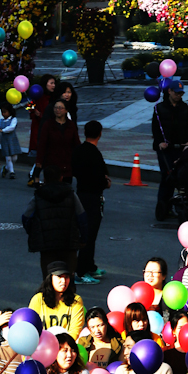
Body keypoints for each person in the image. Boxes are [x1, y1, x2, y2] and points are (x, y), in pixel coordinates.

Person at [22, 164, 87, 277]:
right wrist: (83, 239)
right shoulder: (71, 194)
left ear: (45, 179)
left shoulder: (38, 195)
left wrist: (34, 232)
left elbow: (26, 218)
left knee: (49, 279)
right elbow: (82, 218)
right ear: (61, 178)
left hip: (47, 244)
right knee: (68, 278)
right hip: (69, 243)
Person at [73, 120, 111, 285]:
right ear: (100, 134)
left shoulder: (79, 150)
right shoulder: (95, 154)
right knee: (89, 234)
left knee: (87, 232)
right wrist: (106, 183)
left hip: (81, 194)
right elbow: (100, 177)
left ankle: (90, 265)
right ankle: (81, 271)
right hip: (93, 196)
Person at [152, 77, 188, 220]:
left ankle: (180, 205)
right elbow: (155, 128)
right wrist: (159, 142)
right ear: (169, 91)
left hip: (180, 147)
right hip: (165, 148)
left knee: (180, 177)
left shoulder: (184, 108)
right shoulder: (160, 108)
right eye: (176, 93)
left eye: (181, 93)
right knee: (167, 176)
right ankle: (163, 206)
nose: (178, 96)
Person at [29, 263, 86, 339]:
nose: (63, 281)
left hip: (66, 347)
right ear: (50, 278)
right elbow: (31, 327)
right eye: (59, 276)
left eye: (66, 277)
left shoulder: (76, 300)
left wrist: (61, 346)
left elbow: (75, 331)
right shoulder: (38, 299)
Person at [36, 99, 81, 183]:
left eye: (60, 108)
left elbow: (76, 143)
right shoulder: (48, 124)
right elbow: (42, 144)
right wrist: (39, 162)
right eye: (56, 108)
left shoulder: (71, 125)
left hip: (67, 165)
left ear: (66, 110)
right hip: (51, 165)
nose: (57, 110)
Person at [28, 73, 56, 164]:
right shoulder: (38, 96)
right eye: (51, 83)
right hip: (39, 128)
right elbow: (29, 106)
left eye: (54, 83)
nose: (53, 86)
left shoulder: (53, 97)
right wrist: (34, 112)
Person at [0, 103, 21, 178]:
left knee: (14, 157)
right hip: (4, 141)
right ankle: (12, 172)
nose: (3, 114)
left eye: (5, 112)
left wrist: (3, 130)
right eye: (2, 112)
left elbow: (12, 127)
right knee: (8, 157)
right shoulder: (0, 121)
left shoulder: (13, 119)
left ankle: (6, 168)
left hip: (12, 140)